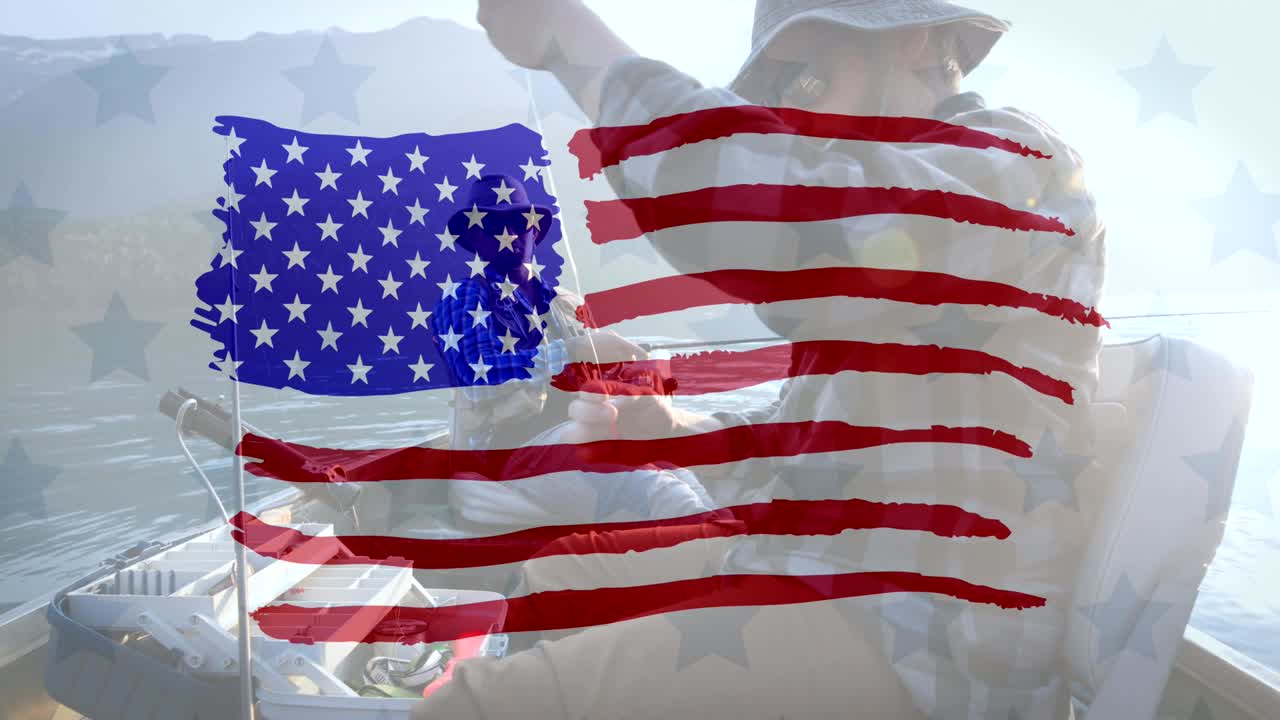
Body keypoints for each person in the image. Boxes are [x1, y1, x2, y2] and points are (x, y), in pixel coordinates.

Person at [415, 2, 1107, 718]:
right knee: (562, 572)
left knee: (463, 707)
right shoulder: (887, 270)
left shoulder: (1017, 162)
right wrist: (669, 433)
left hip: (920, 635)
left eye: (806, 80)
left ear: (920, 43)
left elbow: (786, 207)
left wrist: (568, 37)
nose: (788, 114)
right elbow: (805, 454)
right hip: (823, 572)